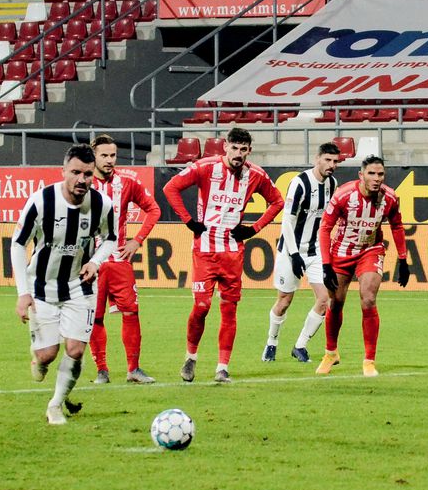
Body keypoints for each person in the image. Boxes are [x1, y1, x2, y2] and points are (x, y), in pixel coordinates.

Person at [163, 127, 284, 383]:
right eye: (234, 148)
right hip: (205, 251)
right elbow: (170, 188)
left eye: (243, 149)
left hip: (232, 252)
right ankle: (191, 358)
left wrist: (254, 229)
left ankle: (222, 368)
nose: (238, 154)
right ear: (225, 147)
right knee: (201, 307)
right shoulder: (205, 167)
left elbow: (278, 201)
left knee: (229, 310)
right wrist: (188, 221)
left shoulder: (256, 175)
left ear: (249, 150)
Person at [11, 144, 117, 424]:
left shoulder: (102, 204)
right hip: (42, 286)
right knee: (47, 355)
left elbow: (111, 238)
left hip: (78, 286)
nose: (82, 180)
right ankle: (39, 359)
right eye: (75, 173)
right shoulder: (41, 201)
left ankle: (55, 405)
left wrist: (96, 261)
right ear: (63, 171)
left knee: (76, 349)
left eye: (87, 174)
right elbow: (18, 243)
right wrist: (23, 293)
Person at [316, 156, 409, 377]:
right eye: (371, 174)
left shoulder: (390, 197)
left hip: (371, 250)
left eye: (380, 174)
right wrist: (326, 265)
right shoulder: (343, 196)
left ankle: (369, 360)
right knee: (335, 302)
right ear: (361, 175)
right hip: (341, 251)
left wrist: (403, 259)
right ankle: (331, 353)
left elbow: (397, 226)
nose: (376, 179)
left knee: (368, 298)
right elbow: (325, 228)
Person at [88, 134, 162, 384]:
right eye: (104, 156)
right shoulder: (82, 183)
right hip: (91, 263)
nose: (109, 160)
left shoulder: (127, 181)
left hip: (119, 259)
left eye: (113, 156)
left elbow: (154, 209)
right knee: (94, 316)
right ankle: (102, 370)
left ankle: (133, 369)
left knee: (131, 312)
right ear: (93, 156)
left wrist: (137, 240)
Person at [262, 142, 341, 364]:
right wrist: (295, 254)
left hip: (315, 250)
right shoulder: (300, 183)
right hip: (291, 250)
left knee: (325, 299)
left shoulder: (332, 184)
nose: (331, 165)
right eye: (327, 160)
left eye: (335, 161)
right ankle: (271, 342)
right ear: (317, 159)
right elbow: (288, 220)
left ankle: (300, 345)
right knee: (284, 300)